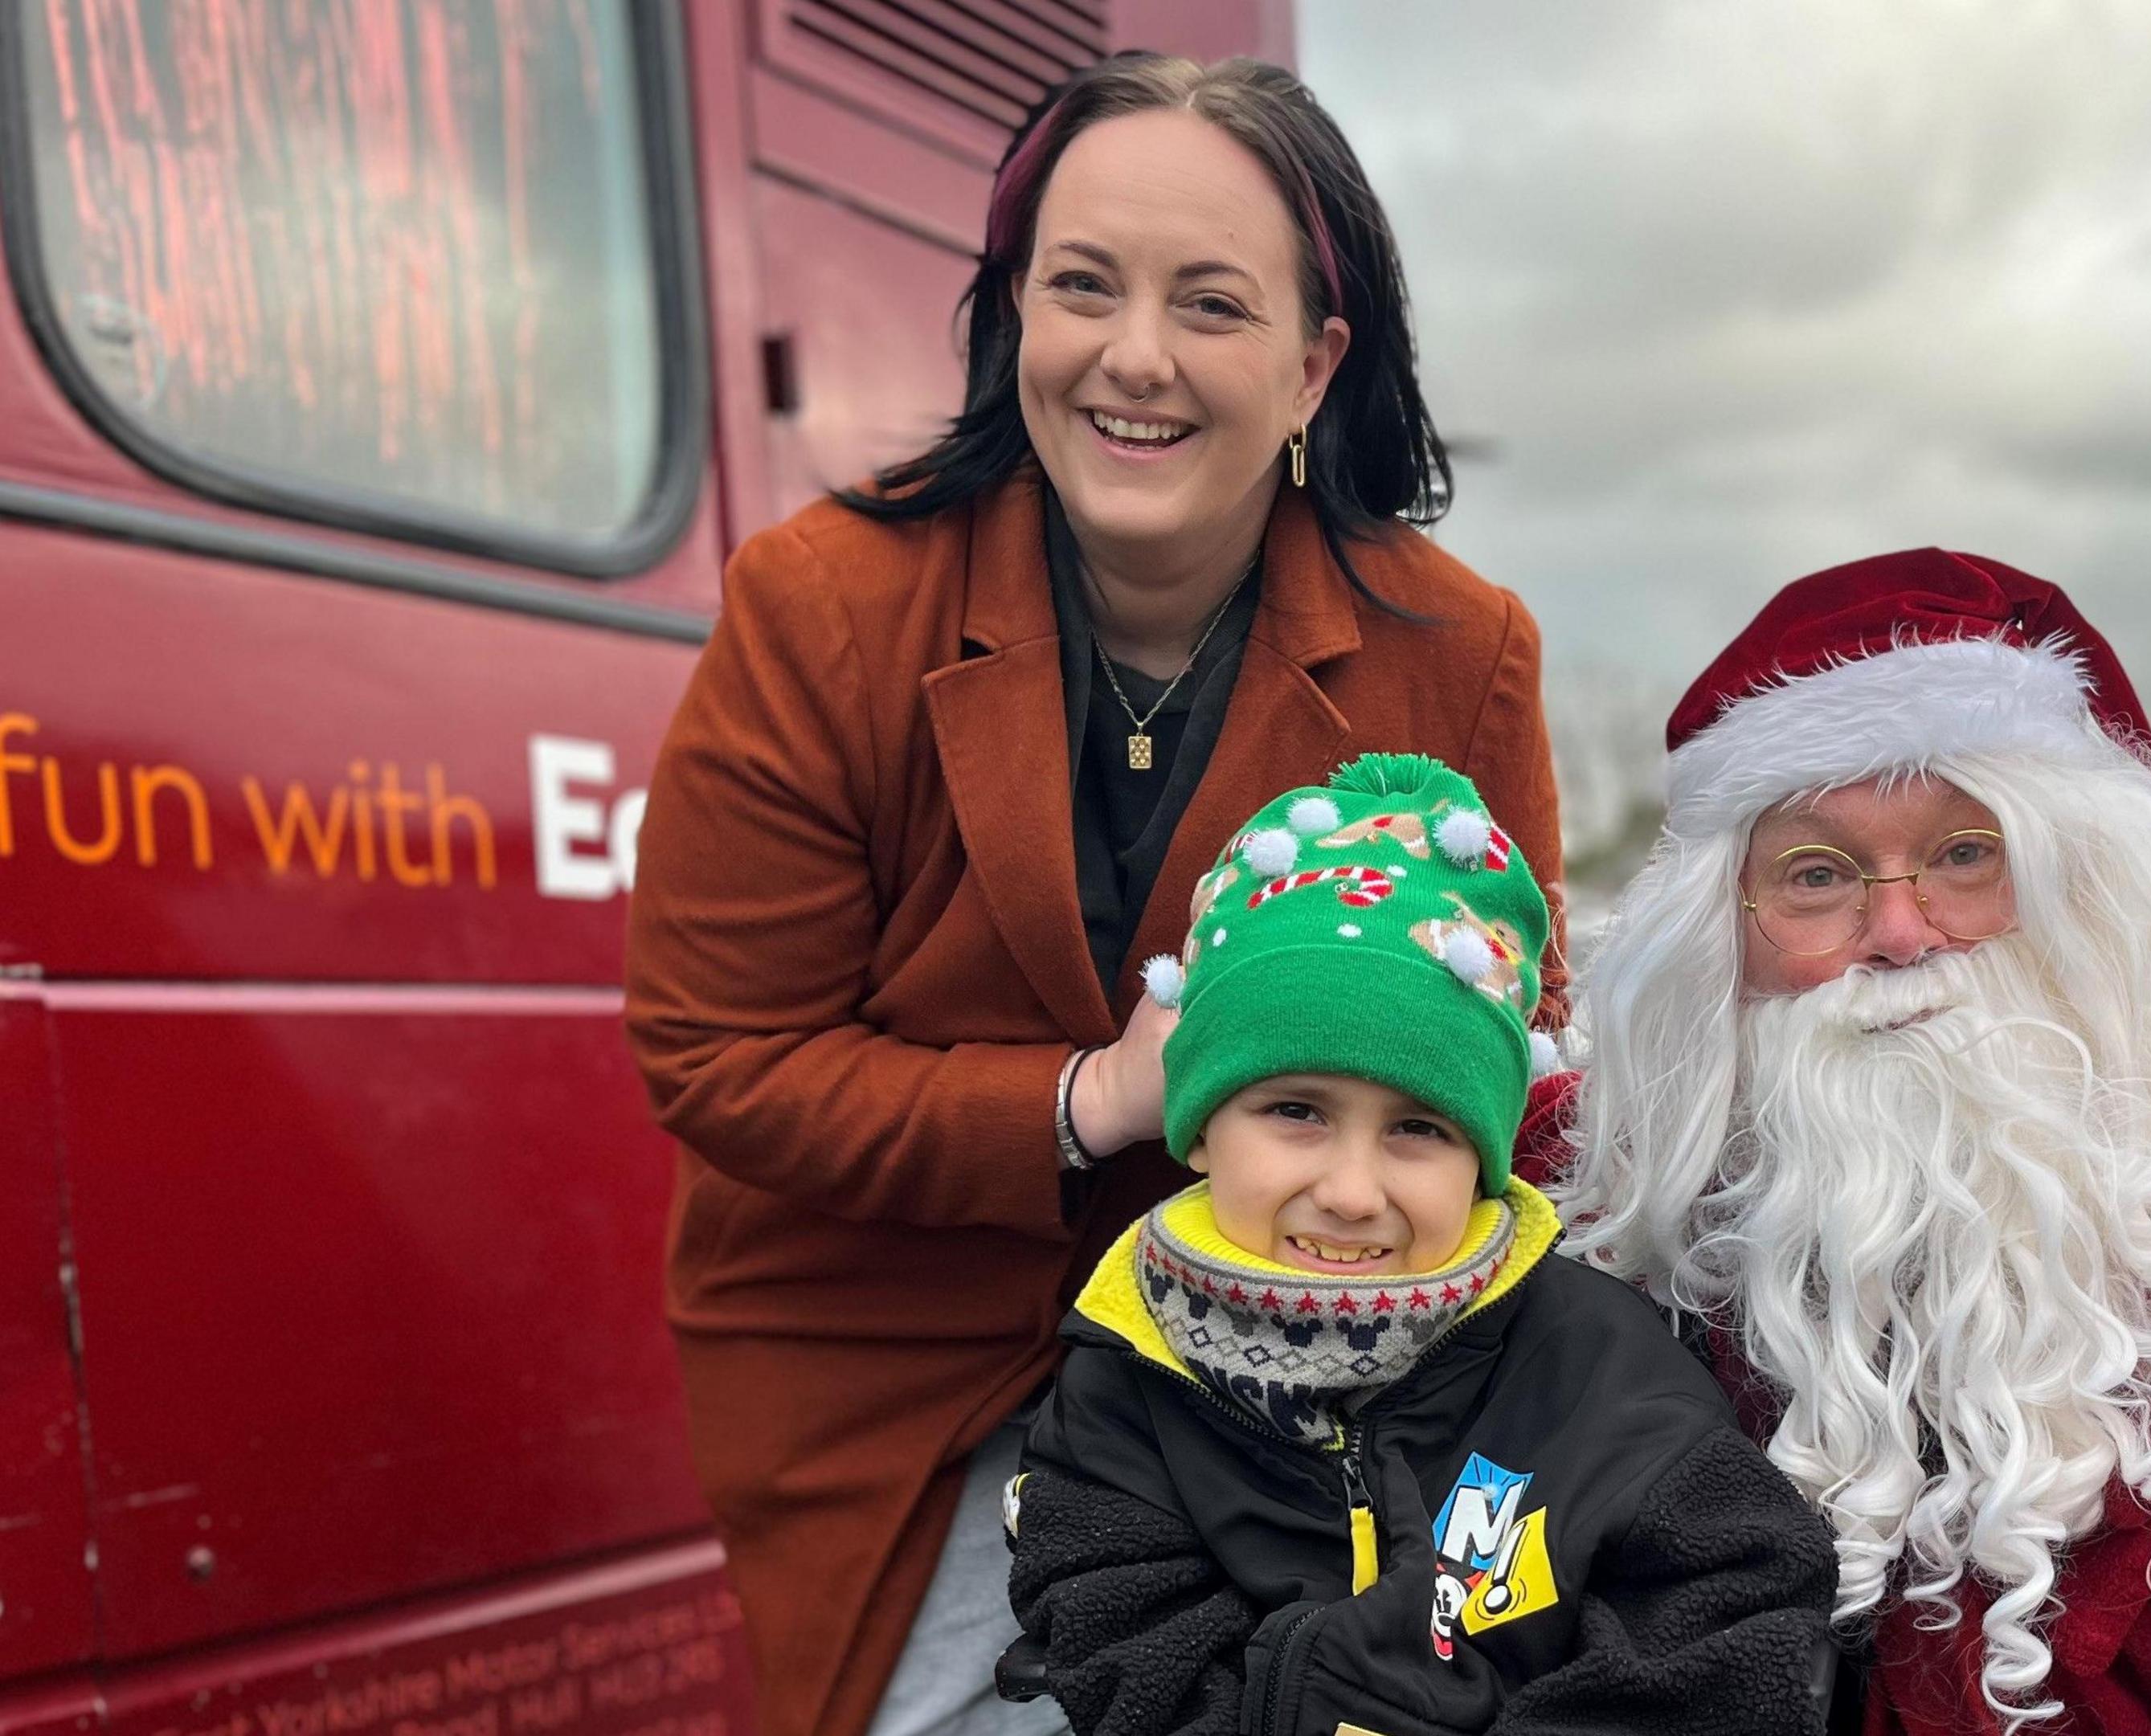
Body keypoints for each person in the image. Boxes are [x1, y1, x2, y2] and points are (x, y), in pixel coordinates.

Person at [622, 55, 1560, 1736]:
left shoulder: (1463, 652)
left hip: (1328, 1353)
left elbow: (1510, 1070)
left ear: (1312, 367)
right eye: (1082, 288)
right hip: (905, 1373)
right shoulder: (817, 605)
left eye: (1212, 304)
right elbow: (721, 1059)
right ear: (1014, 322)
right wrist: (1087, 1103)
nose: (1134, 357)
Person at [1536, 550, 2151, 1734]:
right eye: (1818, 876)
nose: (1903, 933)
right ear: (1726, 942)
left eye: (1970, 854)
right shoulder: (1661, 1153)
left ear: (2094, 887)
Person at [996, 756, 1836, 1736]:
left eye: (1419, 1129)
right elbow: (1126, 1658)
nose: (1352, 1192)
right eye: (1295, 1111)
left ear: (1481, 1158)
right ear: (1197, 1128)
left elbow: (1737, 1631)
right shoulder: (1127, 1370)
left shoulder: (1595, 1362)